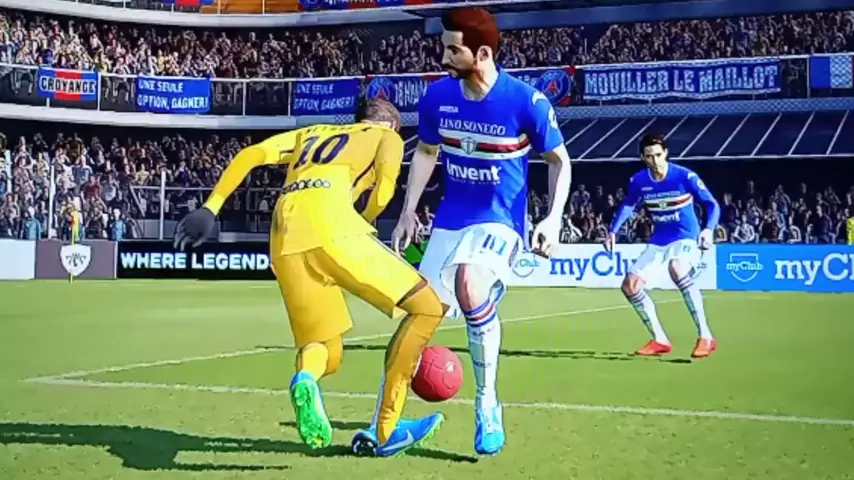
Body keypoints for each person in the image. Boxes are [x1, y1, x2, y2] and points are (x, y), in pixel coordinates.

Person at [172, 98, 446, 458]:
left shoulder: (312, 133)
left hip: (284, 237)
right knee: (427, 307)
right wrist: (362, 222)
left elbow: (252, 154)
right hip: (334, 226)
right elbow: (383, 192)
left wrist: (210, 207)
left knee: (327, 351)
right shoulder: (387, 138)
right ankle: (387, 428)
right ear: (392, 124)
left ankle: (305, 379)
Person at [355, 7, 573, 457]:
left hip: (501, 220)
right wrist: (408, 211)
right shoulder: (437, 97)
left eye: (453, 50)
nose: (444, 57)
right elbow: (426, 152)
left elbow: (560, 161)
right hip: (450, 221)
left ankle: (487, 405)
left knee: (470, 284)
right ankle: (383, 425)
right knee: (416, 317)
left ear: (483, 53)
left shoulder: (527, 102)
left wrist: (552, 218)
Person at [605, 133, 721, 359]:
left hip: (686, 237)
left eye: (658, 155)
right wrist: (612, 231)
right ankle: (660, 340)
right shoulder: (639, 180)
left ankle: (705, 336)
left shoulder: (684, 176)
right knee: (630, 285)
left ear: (666, 153)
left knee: (677, 267)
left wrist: (708, 229)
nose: (655, 161)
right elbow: (629, 205)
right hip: (659, 240)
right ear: (643, 157)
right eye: (649, 156)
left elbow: (711, 204)